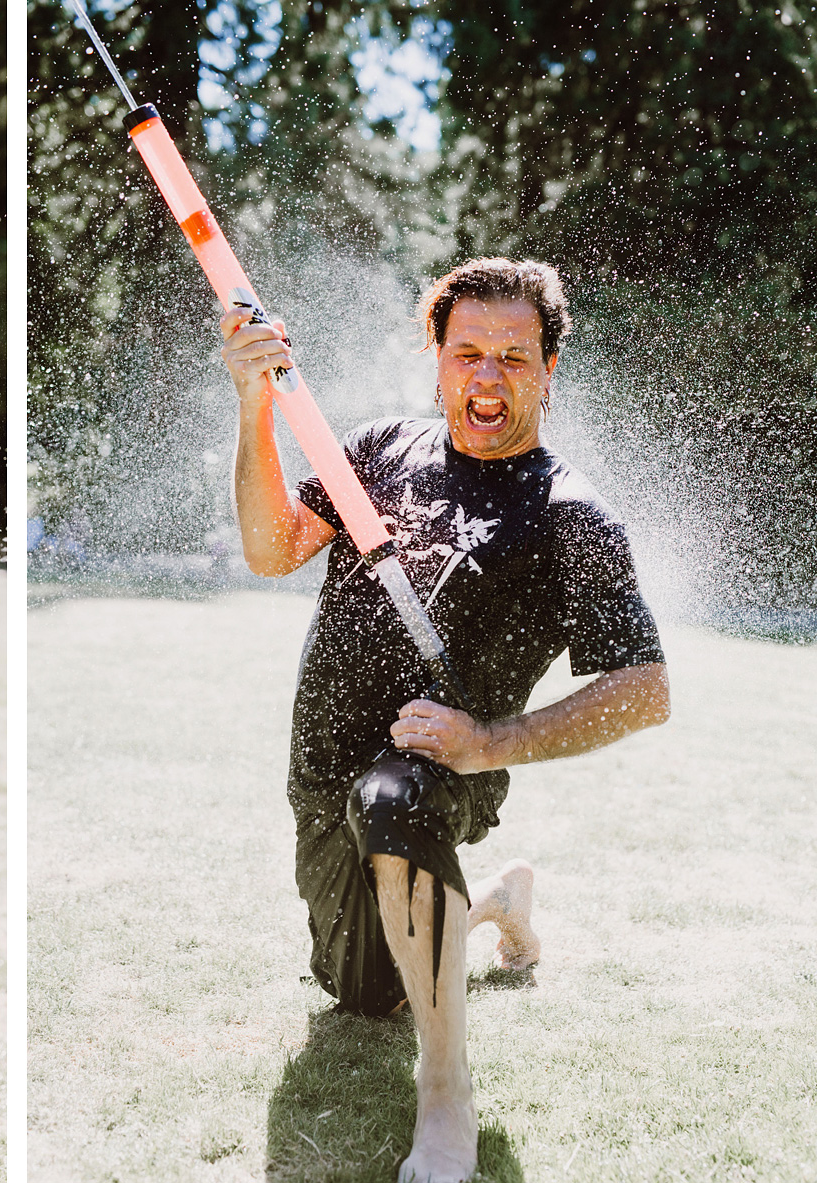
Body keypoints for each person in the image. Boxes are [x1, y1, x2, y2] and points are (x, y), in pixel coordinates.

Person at [219, 258, 670, 1183]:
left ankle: (446, 1089)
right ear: (436, 357)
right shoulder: (380, 448)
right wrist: (253, 403)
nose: (488, 377)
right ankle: (490, 900)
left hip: (433, 775)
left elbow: (645, 687)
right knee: (363, 993)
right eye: (467, 352)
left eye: (514, 355)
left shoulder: (571, 515)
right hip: (319, 779)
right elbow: (271, 549)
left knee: (395, 799)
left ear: (548, 368)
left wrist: (492, 742)